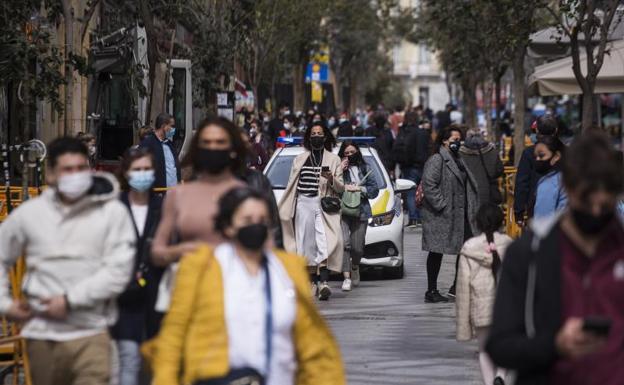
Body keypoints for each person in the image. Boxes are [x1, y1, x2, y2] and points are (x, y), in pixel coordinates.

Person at [148, 187, 346, 385]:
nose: (256, 226)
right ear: (228, 226)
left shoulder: (289, 270)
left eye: (262, 221)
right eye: (247, 220)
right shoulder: (200, 268)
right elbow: (173, 338)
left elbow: (314, 347)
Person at [486, 133, 624, 385]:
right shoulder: (530, 252)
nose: (595, 212)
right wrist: (554, 345)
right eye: (587, 202)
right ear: (568, 189)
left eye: (605, 206)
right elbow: (500, 345)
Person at [0, 137, 136, 385]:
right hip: (42, 337)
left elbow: (119, 271)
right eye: (67, 169)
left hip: (92, 334)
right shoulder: (30, 215)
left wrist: (70, 300)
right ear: (50, 174)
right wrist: (6, 304)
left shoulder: (111, 213)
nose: (75, 176)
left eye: (80, 168)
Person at [151, 116, 246, 311]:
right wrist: (182, 251)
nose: (213, 148)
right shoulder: (178, 195)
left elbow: (269, 252)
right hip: (191, 297)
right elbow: (157, 251)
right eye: (207, 143)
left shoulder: (246, 194)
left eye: (220, 142)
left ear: (232, 149)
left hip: (236, 297)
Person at [111, 147, 164, 385]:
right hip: (123, 297)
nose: (142, 174)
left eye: (147, 169)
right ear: (126, 173)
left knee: (154, 365)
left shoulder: (163, 207)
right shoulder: (114, 208)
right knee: (129, 360)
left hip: (157, 296)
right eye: (137, 170)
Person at [278, 122, 344, 301]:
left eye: (319, 133)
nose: (316, 135)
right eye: (313, 133)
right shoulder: (299, 159)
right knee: (305, 244)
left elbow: (341, 187)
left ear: (325, 136)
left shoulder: (333, 159)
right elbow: (292, 184)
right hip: (303, 204)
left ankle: (324, 282)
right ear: (309, 136)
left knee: (326, 241)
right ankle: (311, 281)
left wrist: (331, 179)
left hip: (322, 205)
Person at [421, 125, 479, 303]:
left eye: (459, 139)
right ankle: (431, 290)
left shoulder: (459, 158)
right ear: (445, 141)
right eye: (454, 139)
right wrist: (442, 205)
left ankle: (456, 287)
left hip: (461, 214)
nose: (457, 142)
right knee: (436, 252)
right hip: (442, 215)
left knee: (465, 249)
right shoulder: (437, 159)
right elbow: (429, 184)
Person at [456, 203, 512, 385]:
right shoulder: (510, 245)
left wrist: (463, 325)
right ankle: (501, 376)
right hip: (506, 308)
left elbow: (463, 289)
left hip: (481, 307)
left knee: (484, 350)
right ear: (501, 222)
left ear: (478, 223)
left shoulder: (469, 248)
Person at [338, 141, 379, 291]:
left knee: (357, 247)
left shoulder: (366, 168)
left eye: (352, 152)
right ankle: (346, 277)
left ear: (357, 152)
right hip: (342, 211)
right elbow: (331, 187)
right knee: (344, 244)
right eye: (346, 153)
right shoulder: (339, 168)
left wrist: (359, 189)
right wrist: (339, 171)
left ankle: (355, 266)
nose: (349, 155)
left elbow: (374, 190)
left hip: (361, 210)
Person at [513, 115, 558, 224]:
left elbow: (522, 183)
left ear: (537, 130)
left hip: (536, 208)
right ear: (556, 130)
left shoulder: (529, 153)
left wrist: (519, 211)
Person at [395, 111, 431, 227]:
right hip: (423, 165)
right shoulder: (424, 133)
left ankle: (413, 218)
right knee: (422, 192)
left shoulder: (406, 133)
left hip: (410, 167)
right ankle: (421, 217)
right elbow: (430, 148)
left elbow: (403, 150)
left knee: (410, 193)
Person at [460, 129, 504, 205]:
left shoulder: (460, 153)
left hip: (467, 192)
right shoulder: (491, 151)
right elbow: (499, 170)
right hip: (488, 191)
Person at [139, 113, 180, 189]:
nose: (174, 129)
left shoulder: (170, 144)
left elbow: (175, 167)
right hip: (158, 193)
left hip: (173, 192)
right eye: (172, 126)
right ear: (163, 126)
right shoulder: (148, 144)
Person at [532, 135, 566, 219]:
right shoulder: (572, 177)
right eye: (535, 156)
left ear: (556, 156)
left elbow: (542, 220)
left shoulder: (549, 183)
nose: (537, 159)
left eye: (541, 155)